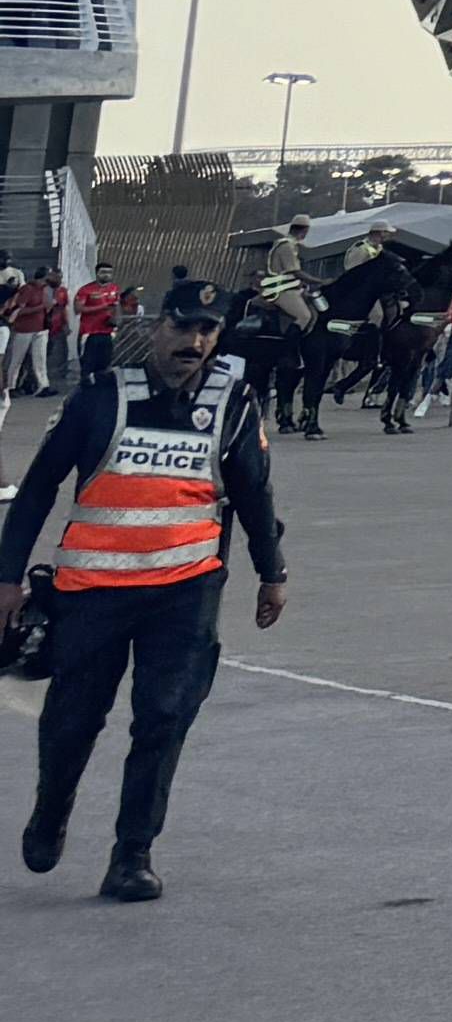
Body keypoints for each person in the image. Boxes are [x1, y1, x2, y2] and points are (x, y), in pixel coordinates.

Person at [8, 290, 293, 902]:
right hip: (91, 593)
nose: (195, 343)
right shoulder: (101, 396)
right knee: (72, 721)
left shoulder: (234, 404)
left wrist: (272, 571)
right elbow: (35, 491)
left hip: (184, 593)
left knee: (164, 719)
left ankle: (131, 854)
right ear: (156, 329)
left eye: (208, 333)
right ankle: (50, 811)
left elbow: (253, 494)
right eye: (184, 328)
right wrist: (6, 580)